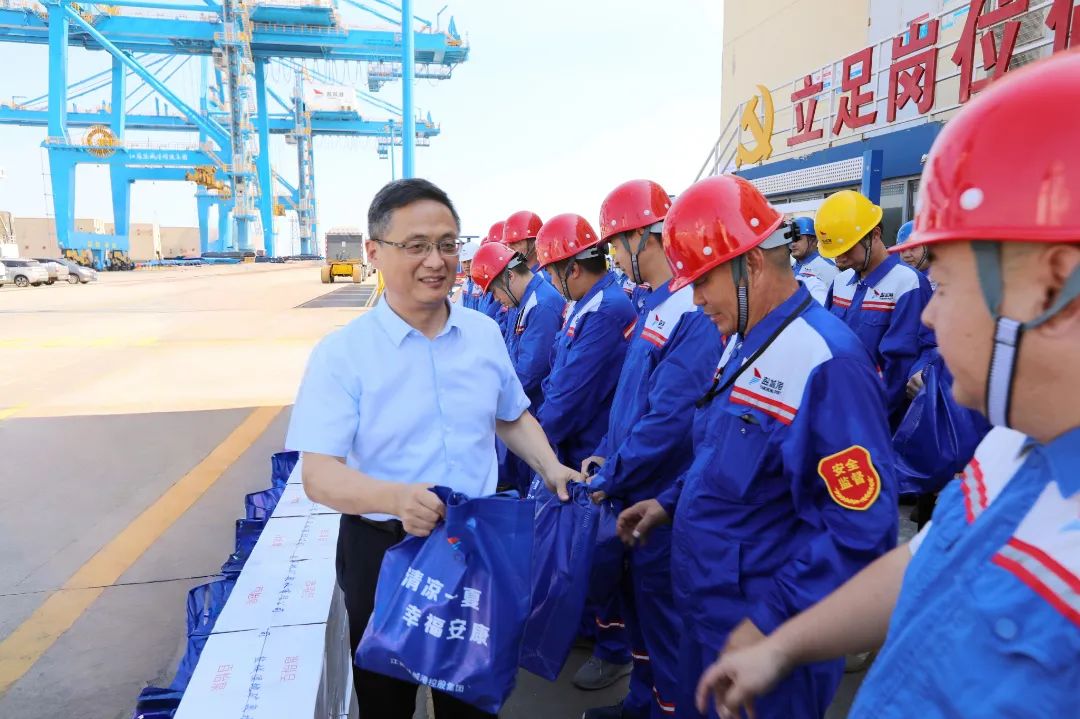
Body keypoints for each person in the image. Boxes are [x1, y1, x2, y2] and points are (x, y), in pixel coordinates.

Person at [694, 50, 1080, 719]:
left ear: (1052, 288)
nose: (928, 314)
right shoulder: (1010, 450)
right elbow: (919, 563)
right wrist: (781, 645)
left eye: (945, 283)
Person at [285, 179, 580, 719]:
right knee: (386, 703)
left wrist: (551, 467)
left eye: (447, 244)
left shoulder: (482, 335)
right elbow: (319, 475)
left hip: (474, 545)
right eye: (416, 245)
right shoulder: (342, 354)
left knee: (471, 696)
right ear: (375, 252)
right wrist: (396, 499)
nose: (436, 261)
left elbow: (511, 416)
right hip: (384, 552)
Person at [615, 174, 898, 719]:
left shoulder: (826, 363)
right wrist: (668, 502)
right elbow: (721, 452)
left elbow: (862, 532)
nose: (696, 299)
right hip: (709, 614)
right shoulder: (743, 342)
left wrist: (770, 625)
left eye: (703, 281)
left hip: (763, 639)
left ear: (751, 264)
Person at [580, 179, 722, 719]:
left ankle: (666, 709)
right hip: (634, 488)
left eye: (617, 245)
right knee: (640, 609)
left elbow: (671, 418)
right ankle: (643, 701)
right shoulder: (657, 302)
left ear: (642, 237)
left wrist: (613, 472)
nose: (614, 258)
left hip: (661, 498)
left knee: (665, 622)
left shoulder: (691, 310)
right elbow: (631, 397)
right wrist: (605, 451)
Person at [534, 212, 639, 688]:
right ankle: (590, 629)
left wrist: (537, 442)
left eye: (554, 272)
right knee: (582, 552)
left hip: (592, 446)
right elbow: (560, 372)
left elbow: (573, 389)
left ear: (572, 268)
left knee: (602, 555)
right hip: (578, 442)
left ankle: (613, 649)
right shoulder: (588, 304)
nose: (552, 283)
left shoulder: (607, 309)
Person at [817, 190, 936, 428]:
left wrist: (863, 419)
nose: (839, 259)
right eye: (835, 252)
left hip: (879, 420)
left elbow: (901, 366)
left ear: (875, 235)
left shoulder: (908, 284)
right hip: (839, 410)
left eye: (847, 249)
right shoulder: (840, 283)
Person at [470, 241, 566, 493]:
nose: (495, 299)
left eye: (495, 291)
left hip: (532, 413)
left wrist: (490, 399)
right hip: (523, 410)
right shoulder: (523, 301)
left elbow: (529, 370)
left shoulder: (542, 304)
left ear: (510, 276)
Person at [789, 216, 837, 286]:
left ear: (814, 241)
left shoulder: (828, 268)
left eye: (798, 239)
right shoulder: (791, 267)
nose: (792, 244)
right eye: (791, 239)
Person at [454, 240, 482, 309]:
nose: (466, 265)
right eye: (464, 262)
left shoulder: (483, 284)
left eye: (470, 261)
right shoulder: (466, 283)